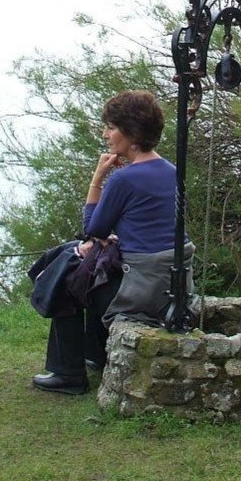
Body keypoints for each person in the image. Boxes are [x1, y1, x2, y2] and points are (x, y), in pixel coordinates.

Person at [32, 89, 193, 395]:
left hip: (141, 288)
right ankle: (96, 354)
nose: (105, 134)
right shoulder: (171, 170)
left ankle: (68, 374)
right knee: (75, 256)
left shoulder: (124, 178)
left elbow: (92, 229)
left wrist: (99, 176)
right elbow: (150, 226)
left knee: (68, 276)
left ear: (131, 132)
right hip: (170, 284)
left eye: (111, 127)